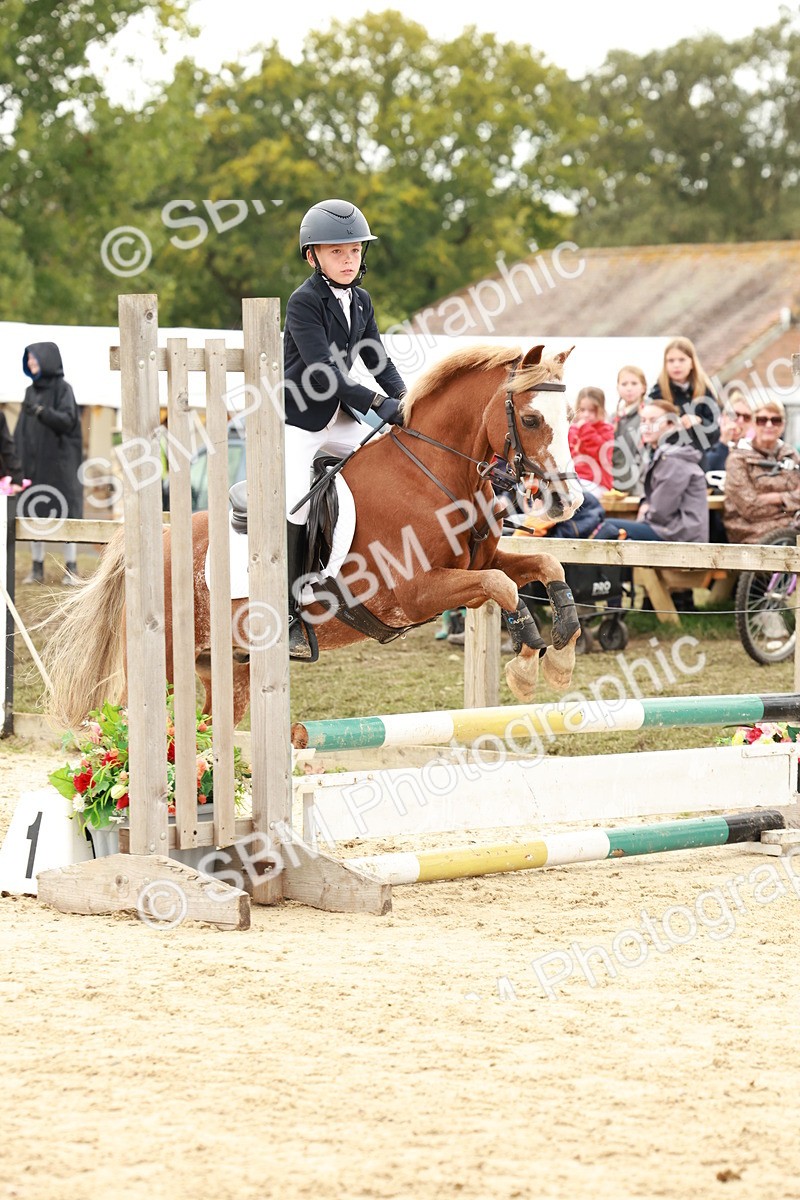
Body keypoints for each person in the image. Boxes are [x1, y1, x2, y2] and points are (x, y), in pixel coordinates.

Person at [282, 198, 408, 657]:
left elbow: (376, 358)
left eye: (354, 251)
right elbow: (323, 372)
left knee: (393, 462)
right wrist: (377, 402)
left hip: (345, 416)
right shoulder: (303, 301)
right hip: (304, 417)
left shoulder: (362, 299)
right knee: (298, 504)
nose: (348, 259)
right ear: (313, 256)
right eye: (337, 252)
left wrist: (406, 400)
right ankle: (292, 611)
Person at [591, 399, 709, 544]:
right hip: (668, 529)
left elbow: (661, 511)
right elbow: (654, 497)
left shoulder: (673, 458)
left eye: (653, 421)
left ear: (671, 425)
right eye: (643, 421)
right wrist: (645, 503)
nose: (646, 426)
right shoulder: (662, 454)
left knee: (608, 528)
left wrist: (645, 513)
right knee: (611, 530)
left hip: (680, 535)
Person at [15, 343, 83, 585]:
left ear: (47, 360)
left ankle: (71, 568)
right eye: (29, 360)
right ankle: (36, 567)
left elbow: (68, 420)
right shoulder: (30, 392)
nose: (31, 364)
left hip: (60, 466)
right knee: (35, 511)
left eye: (34, 359)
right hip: (34, 466)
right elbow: (21, 430)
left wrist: (44, 412)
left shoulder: (64, 390)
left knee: (67, 513)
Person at [723, 396, 800, 545]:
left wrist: (772, 498)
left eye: (775, 420)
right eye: (762, 420)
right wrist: (790, 499)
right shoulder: (738, 458)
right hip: (752, 534)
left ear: (783, 425)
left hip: (792, 528)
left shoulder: (791, 455)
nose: (769, 425)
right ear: (753, 423)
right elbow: (750, 509)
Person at [648, 336, 720, 468]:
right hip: (664, 462)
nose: (676, 365)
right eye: (671, 360)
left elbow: (716, 434)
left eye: (682, 360)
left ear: (692, 363)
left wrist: (699, 422)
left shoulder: (705, 392)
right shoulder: (657, 394)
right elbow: (649, 433)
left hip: (696, 463)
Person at [567, 386, 614, 497]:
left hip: (597, 482)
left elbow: (600, 452)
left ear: (601, 410)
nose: (586, 414)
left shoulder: (606, 429)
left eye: (592, 410)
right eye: (582, 410)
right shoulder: (571, 430)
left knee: (579, 494)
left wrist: (585, 429)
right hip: (575, 479)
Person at [611, 365, 647, 495]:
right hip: (615, 484)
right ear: (618, 388)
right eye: (624, 384)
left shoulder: (648, 416)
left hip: (640, 486)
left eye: (634, 383)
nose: (629, 388)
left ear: (643, 387)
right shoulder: (613, 418)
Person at [705, 388, 754, 472]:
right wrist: (723, 443)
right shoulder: (708, 436)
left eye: (747, 417)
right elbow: (706, 467)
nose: (740, 421)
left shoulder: (752, 448)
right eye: (735, 415)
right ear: (724, 416)